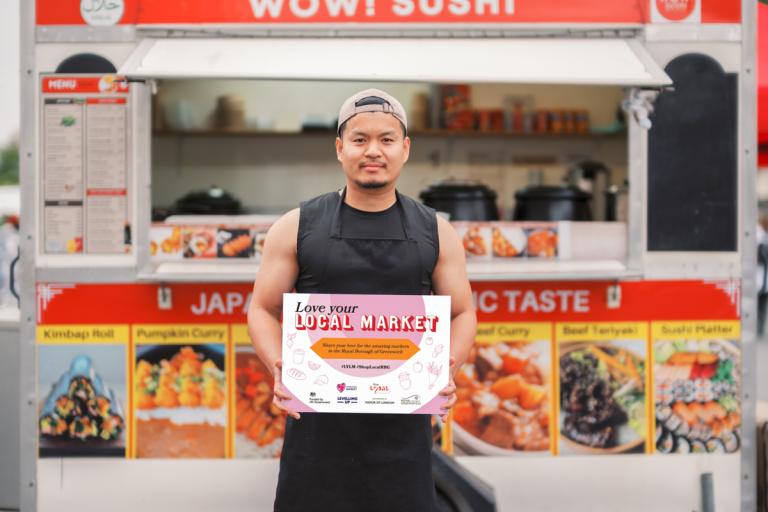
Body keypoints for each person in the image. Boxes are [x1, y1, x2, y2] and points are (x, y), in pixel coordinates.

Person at [247, 88, 477, 512]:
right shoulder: (295, 227)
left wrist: (446, 370)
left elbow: (462, 313)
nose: (374, 151)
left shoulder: (436, 231)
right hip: (318, 430)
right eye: (359, 139)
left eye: (387, 139)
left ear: (405, 149)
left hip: (403, 430)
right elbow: (262, 307)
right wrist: (280, 367)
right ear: (340, 148)